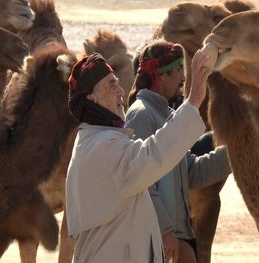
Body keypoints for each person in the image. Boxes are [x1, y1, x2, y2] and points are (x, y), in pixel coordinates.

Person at [65, 51, 213, 263]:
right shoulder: (103, 147)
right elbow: (152, 156)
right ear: (92, 98)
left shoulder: (96, 141)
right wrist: (194, 100)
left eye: (117, 83)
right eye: (111, 86)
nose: (121, 91)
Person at [125, 40, 231, 263]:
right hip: (157, 240)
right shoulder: (142, 115)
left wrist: (236, 153)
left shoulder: (166, 114)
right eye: (177, 71)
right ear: (159, 75)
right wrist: (164, 231)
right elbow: (141, 184)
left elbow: (192, 172)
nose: (183, 79)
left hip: (177, 237)